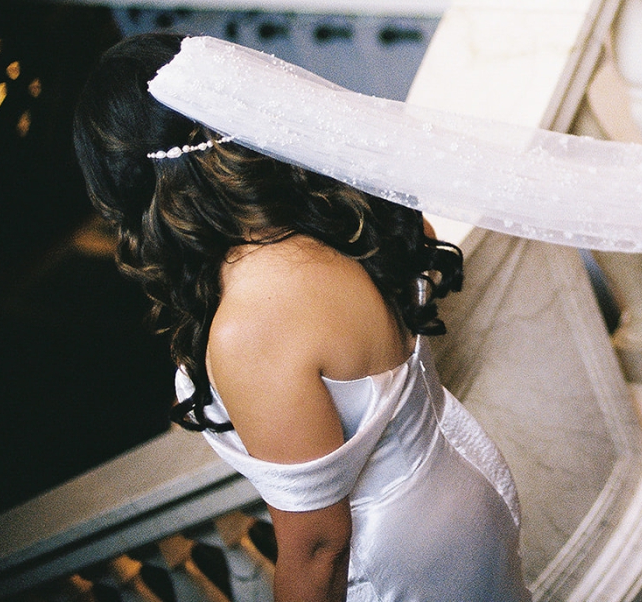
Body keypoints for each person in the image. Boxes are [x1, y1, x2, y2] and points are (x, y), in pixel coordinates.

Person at [73, 33, 530, 602]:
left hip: (399, 564)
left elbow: (319, 544)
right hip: (465, 485)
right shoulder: (344, 211)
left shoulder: (249, 326)